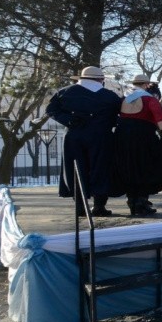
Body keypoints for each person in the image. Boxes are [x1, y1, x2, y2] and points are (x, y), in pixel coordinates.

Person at [46, 66, 121, 216]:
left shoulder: (65, 92)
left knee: (76, 168)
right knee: (101, 168)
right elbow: (117, 116)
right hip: (101, 136)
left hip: (75, 135)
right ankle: (99, 206)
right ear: (100, 79)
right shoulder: (110, 96)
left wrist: (69, 120)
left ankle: (80, 206)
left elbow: (51, 110)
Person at [111, 74, 162, 216]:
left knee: (129, 167)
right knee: (145, 167)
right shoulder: (150, 99)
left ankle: (131, 201)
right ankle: (141, 202)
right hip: (144, 136)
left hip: (123, 137)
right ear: (146, 85)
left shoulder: (124, 99)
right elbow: (159, 117)